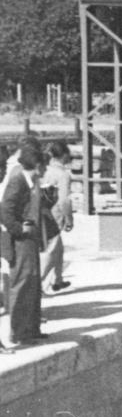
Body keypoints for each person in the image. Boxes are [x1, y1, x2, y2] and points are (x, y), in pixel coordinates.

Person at [1, 147, 47, 346]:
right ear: (37, 166)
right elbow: (5, 211)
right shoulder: (18, 181)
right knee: (21, 283)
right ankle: (19, 332)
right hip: (20, 241)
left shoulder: (33, 182)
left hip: (32, 239)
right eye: (44, 165)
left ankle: (32, 328)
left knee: (34, 283)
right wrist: (20, 229)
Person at [39, 142, 73, 293]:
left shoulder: (45, 170)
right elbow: (64, 200)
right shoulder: (63, 174)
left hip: (42, 211)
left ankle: (58, 279)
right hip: (55, 214)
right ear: (64, 155)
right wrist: (69, 219)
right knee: (52, 250)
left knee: (58, 248)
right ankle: (38, 283)